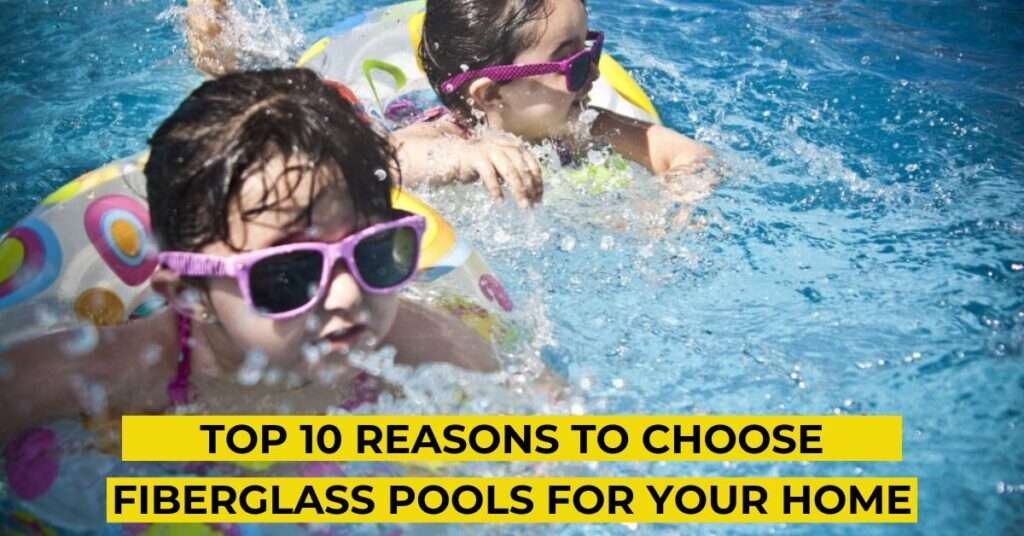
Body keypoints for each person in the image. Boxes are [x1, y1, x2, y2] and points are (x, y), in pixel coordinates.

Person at [0, 68, 498, 444]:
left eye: (373, 254)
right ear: (189, 294)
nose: (348, 294)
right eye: (289, 273)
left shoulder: (423, 348)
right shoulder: (113, 377)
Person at [182, 0, 715, 213]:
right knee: (257, 90)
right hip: (385, 111)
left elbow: (683, 154)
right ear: (488, 96)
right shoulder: (446, 138)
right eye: (572, 63)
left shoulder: (582, 124)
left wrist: (674, 208)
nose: (593, 73)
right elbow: (367, 166)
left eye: (591, 49)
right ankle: (215, 35)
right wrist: (456, 162)